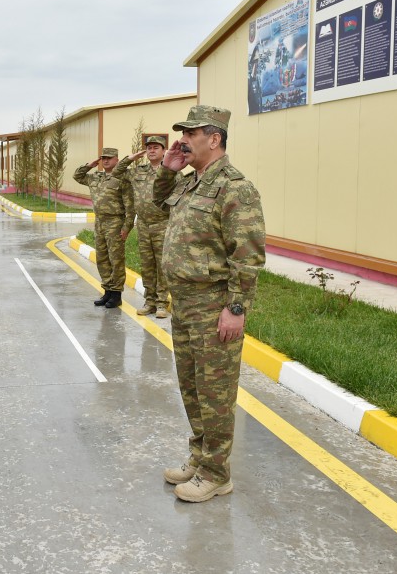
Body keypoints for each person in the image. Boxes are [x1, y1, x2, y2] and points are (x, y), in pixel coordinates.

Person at [152, 105, 265, 503]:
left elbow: (247, 255)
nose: (183, 139)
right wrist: (168, 168)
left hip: (212, 303)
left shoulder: (235, 188)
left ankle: (217, 473)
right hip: (182, 302)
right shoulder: (189, 182)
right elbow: (155, 202)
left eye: (191, 133)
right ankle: (200, 457)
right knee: (192, 388)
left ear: (213, 138)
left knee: (216, 393)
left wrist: (236, 308)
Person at [111, 135, 178, 318]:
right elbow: (116, 172)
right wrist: (131, 158)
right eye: (149, 147)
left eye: (156, 147)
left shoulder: (170, 172)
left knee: (161, 265)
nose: (151, 150)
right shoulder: (137, 171)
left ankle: (162, 303)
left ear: (164, 151)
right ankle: (150, 302)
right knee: (147, 265)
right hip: (143, 224)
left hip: (163, 224)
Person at [73, 147, 134, 309]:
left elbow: (130, 205)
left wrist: (127, 226)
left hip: (115, 222)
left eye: (109, 158)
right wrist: (90, 165)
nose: (106, 161)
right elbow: (77, 176)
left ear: (116, 160)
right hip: (99, 222)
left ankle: (116, 294)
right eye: (103, 158)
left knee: (116, 259)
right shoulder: (95, 177)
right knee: (102, 258)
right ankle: (107, 290)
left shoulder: (122, 179)